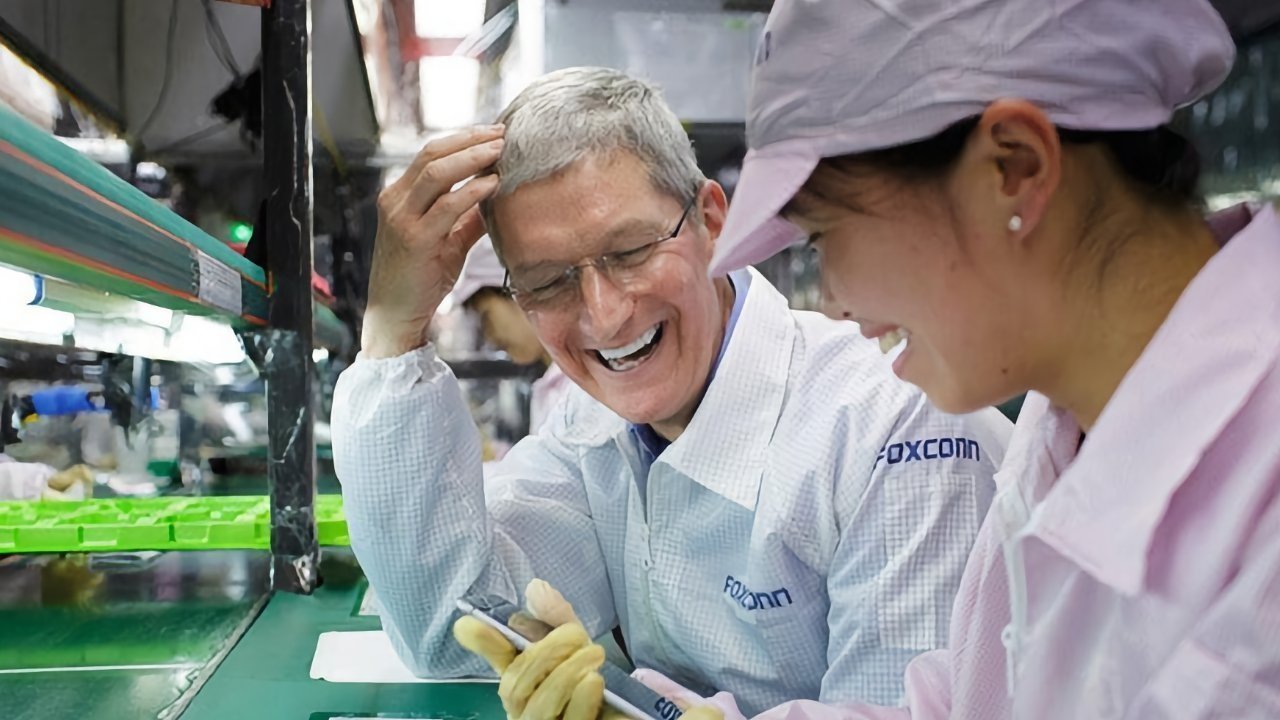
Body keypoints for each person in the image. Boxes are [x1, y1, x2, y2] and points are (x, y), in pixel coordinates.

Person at [483, 0, 1280, 718]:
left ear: (1015, 170)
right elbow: (958, 706)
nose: (831, 302)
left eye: (827, 234)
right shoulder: (1064, 427)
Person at [332, 66, 1012, 715]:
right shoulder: (591, 425)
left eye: (630, 251)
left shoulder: (897, 428)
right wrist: (393, 329)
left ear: (712, 221)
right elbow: (454, 630)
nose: (604, 314)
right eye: (545, 281)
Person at [446, 235, 572, 432]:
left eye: (486, 317)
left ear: (520, 293)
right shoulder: (552, 384)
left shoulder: (579, 385)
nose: (489, 337)